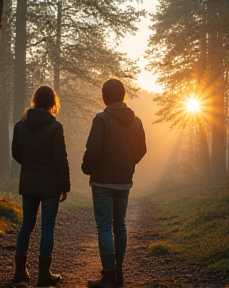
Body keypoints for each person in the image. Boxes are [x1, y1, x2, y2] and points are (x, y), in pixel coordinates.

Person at [82, 78, 147, 288]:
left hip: (102, 181)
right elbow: (142, 150)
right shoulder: (136, 121)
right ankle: (119, 272)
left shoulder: (101, 119)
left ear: (104, 97)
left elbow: (93, 150)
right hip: (124, 180)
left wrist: (87, 168)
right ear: (123, 96)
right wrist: (128, 163)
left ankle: (108, 275)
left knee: (104, 227)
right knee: (120, 225)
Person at [11, 84, 70, 287]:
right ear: (53, 102)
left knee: (26, 225)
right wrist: (65, 185)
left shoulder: (21, 125)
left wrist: (29, 166)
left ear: (34, 101)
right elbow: (60, 158)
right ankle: (44, 274)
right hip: (50, 184)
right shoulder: (55, 127)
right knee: (47, 228)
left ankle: (20, 271)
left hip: (28, 182)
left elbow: (16, 153)